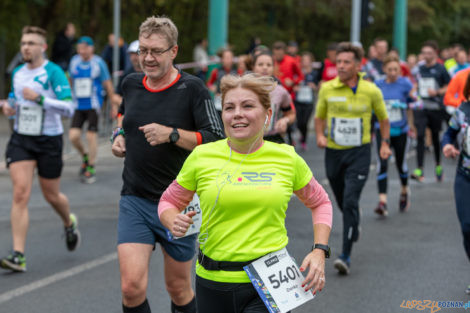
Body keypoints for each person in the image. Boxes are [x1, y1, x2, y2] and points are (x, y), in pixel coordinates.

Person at [158, 73, 333, 313]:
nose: (237, 113)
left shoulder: (286, 158)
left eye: (248, 106)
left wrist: (319, 250)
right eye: (229, 107)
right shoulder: (202, 156)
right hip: (212, 280)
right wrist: (172, 219)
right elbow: (168, 200)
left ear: (268, 115)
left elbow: (321, 202)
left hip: (269, 282)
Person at [111, 16, 224, 313]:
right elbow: (123, 116)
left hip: (180, 202)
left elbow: (215, 139)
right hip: (134, 199)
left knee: (178, 288)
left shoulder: (193, 89)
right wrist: (118, 136)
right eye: (142, 50)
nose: (147, 58)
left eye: (156, 51)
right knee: (130, 287)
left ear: (174, 52)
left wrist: (172, 135)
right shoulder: (131, 83)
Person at [0, 26, 80, 273]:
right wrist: (9, 106)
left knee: (51, 195)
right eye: (24, 43)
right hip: (22, 138)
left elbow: (69, 108)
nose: (26, 47)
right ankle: (18, 255)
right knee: (20, 194)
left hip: (49, 139)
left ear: (42, 47)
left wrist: (41, 99)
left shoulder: (53, 72)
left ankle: (69, 222)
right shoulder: (17, 72)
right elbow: (15, 99)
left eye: (31, 43)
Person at [314, 42, 391, 275]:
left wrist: (385, 143)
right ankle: (353, 221)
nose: (341, 66)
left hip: (360, 151)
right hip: (334, 152)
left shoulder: (371, 90)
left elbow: (384, 119)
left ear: (358, 65)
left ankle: (345, 255)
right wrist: (319, 135)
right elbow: (319, 117)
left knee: (349, 201)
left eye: (347, 62)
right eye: (338, 62)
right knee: (341, 199)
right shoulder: (327, 88)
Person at [68, 36, 116, 184]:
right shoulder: (74, 61)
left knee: (90, 135)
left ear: (91, 48)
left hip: (94, 105)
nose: (82, 51)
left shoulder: (98, 63)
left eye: (85, 47)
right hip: (78, 105)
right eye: (79, 47)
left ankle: (91, 167)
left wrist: (114, 104)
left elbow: (107, 84)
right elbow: (70, 80)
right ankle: (85, 156)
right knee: (73, 136)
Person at [373, 55, 413, 216]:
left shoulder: (405, 83)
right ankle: (382, 202)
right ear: (384, 70)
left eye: (396, 69)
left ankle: (404, 190)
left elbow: (416, 102)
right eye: (390, 69)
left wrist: (405, 104)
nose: (393, 72)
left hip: (401, 131)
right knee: (382, 164)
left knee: (400, 165)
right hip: (382, 131)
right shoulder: (377, 85)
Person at [441, 74, 470, 295]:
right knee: (467, 227)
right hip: (465, 176)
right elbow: (448, 134)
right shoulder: (463, 110)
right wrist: (447, 146)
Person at [411, 40, 450, 182]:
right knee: (420, 135)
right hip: (420, 107)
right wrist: (413, 91)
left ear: (435, 53)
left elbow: (448, 86)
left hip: (435, 107)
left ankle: (438, 165)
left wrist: (437, 91)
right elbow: (415, 84)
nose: (426, 55)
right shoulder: (419, 69)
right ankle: (419, 169)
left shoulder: (441, 69)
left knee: (434, 136)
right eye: (424, 53)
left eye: (429, 53)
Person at [252, 51, 296, 143]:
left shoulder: (280, 91)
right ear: (253, 67)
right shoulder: (244, 90)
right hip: (250, 139)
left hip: (273, 139)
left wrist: (285, 120)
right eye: (260, 64)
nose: (265, 67)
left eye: (269, 65)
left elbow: (291, 114)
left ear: (273, 68)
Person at [294, 51, 320, 150]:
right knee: (299, 122)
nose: (305, 62)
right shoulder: (298, 72)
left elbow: (319, 86)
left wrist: (314, 86)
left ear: (311, 61)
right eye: (303, 60)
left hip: (309, 101)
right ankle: (302, 135)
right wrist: (295, 87)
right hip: (298, 100)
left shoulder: (315, 73)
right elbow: (293, 83)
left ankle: (304, 140)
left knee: (305, 122)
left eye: (307, 60)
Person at [206, 48, 238, 114]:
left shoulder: (238, 71)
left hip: (234, 99)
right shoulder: (216, 71)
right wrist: (212, 87)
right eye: (226, 58)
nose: (228, 60)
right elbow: (209, 83)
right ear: (222, 59)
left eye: (230, 57)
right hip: (219, 101)